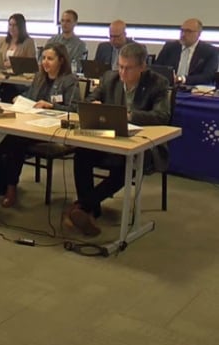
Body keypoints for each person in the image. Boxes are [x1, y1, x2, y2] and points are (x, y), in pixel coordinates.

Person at [67, 43, 170, 236]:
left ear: (142, 67)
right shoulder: (110, 78)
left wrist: (129, 116)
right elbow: (89, 100)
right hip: (109, 137)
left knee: (126, 164)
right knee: (82, 153)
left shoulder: (158, 83)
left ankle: (83, 206)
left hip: (144, 143)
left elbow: (162, 115)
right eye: (120, 66)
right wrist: (94, 105)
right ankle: (90, 209)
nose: (123, 72)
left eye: (128, 68)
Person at [0, 43, 80, 207]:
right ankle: (10, 186)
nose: (45, 62)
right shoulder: (39, 77)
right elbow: (30, 96)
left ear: (61, 60)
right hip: (33, 125)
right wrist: (19, 98)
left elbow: (74, 109)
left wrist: (51, 106)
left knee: (17, 140)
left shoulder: (69, 81)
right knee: (18, 140)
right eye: (43, 58)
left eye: (50, 59)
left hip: (54, 130)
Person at [155, 18, 219, 85]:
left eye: (188, 31)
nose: (183, 34)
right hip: (169, 87)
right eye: (182, 30)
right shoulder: (170, 47)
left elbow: (208, 76)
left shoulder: (210, 51)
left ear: (199, 34)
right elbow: (157, 69)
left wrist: (182, 79)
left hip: (193, 90)